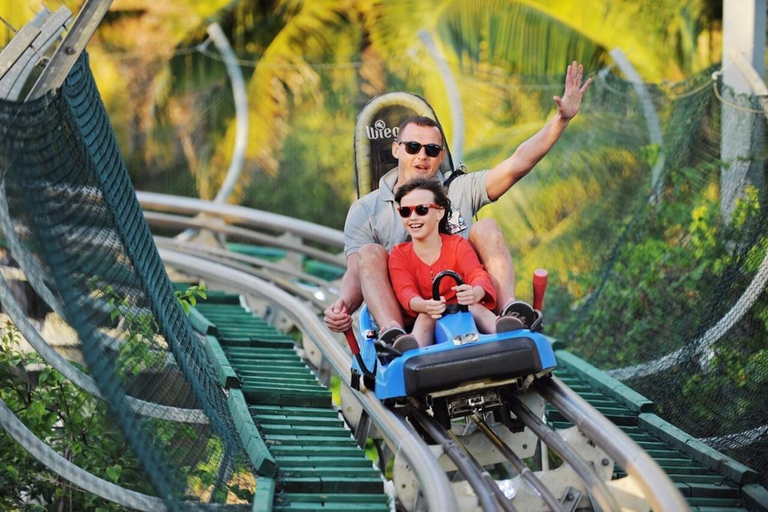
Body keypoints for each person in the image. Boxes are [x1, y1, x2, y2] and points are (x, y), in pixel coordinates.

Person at [324, 61, 592, 346]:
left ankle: (507, 315)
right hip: (409, 311)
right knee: (368, 252)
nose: (422, 156)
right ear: (396, 149)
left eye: (432, 150)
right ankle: (396, 337)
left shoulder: (459, 189)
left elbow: (516, 164)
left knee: (486, 226)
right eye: (413, 147)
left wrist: (561, 120)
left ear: (441, 157)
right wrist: (342, 307)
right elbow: (358, 272)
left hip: (465, 301)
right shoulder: (368, 209)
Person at [389, 177, 525, 347]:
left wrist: (476, 292)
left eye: (421, 210)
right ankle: (413, 347)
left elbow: (476, 273)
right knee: (426, 316)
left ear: (439, 212)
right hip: (427, 311)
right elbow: (405, 291)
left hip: (463, 308)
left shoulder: (457, 245)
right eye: (405, 212)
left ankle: (502, 327)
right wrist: (424, 305)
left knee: (475, 307)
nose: (413, 217)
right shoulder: (399, 255)